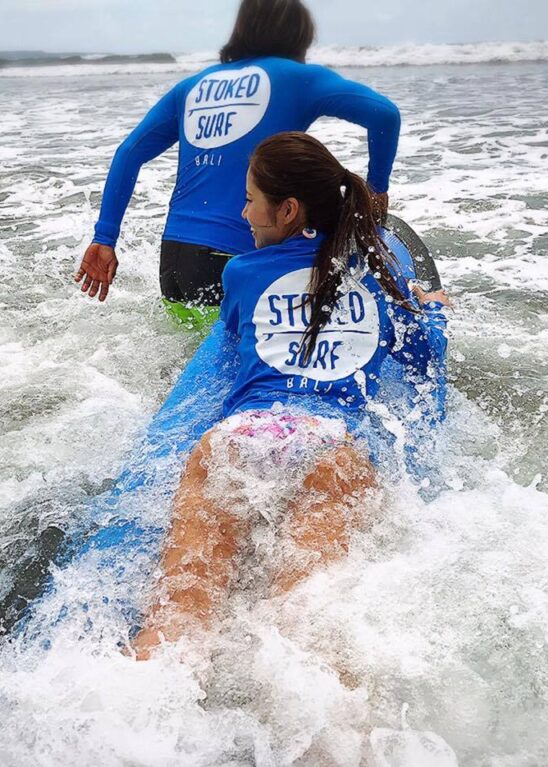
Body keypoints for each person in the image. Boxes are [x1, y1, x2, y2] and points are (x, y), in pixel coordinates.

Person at [131, 132, 448, 659]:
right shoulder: (382, 278)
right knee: (309, 635)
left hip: (234, 442)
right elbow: (423, 359)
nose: (244, 211)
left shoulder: (241, 272)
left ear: (288, 211)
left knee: (177, 621)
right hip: (330, 449)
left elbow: (234, 339)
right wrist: (429, 306)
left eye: (252, 200)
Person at [74, 0, 402, 329]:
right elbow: (385, 114)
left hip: (174, 260)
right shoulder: (297, 78)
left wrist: (105, 237)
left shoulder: (193, 86)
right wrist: (375, 191)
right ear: (299, 36)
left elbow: (129, 152)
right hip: (237, 259)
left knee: (193, 366)